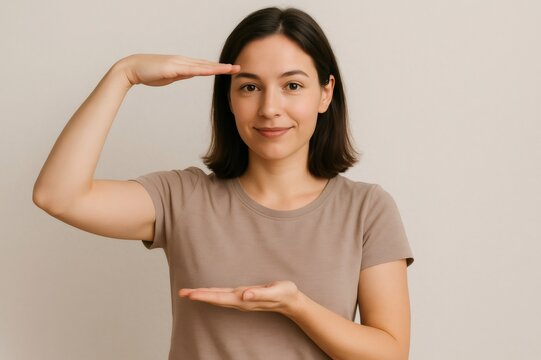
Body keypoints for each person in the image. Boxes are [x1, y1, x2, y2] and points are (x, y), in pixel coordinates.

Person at [32, 6, 415, 360]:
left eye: (292, 86)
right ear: (229, 99)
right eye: (249, 87)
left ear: (325, 93)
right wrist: (124, 74)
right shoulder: (183, 198)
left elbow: (391, 353)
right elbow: (57, 195)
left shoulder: (367, 209)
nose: (269, 108)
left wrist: (295, 306)